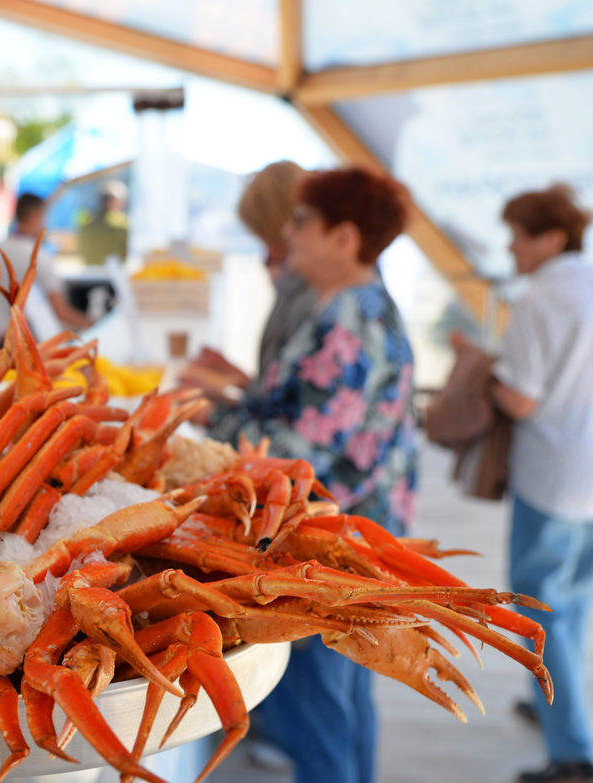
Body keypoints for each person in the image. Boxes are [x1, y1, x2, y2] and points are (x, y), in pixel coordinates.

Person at [197, 165, 419, 783]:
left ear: (344, 238)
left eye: (302, 222)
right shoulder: (353, 304)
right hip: (359, 526)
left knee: (322, 691)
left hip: (341, 537)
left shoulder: (349, 323)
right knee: (348, 686)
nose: (287, 235)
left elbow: (296, 450)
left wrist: (205, 413)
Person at [467, 185, 593, 783]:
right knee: (574, 600)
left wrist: (478, 371)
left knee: (542, 611)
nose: (510, 246)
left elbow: (521, 397)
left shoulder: (541, 297)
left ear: (551, 237)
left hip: (559, 478)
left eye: (517, 233)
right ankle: (549, 702)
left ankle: (572, 754)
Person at [180, 161, 316, 407]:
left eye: (271, 242)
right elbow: (290, 391)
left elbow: (298, 427)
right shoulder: (310, 291)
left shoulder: (318, 298)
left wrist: (214, 411)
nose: (268, 260)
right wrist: (237, 377)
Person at [0, 192, 91, 339]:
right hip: (20, 344)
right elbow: (61, 311)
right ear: (36, 215)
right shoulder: (38, 256)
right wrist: (91, 323)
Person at [75, 179, 128, 266]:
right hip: (112, 275)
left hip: (89, 272)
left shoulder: (87, 222)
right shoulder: (121, 223)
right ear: (111, 202)